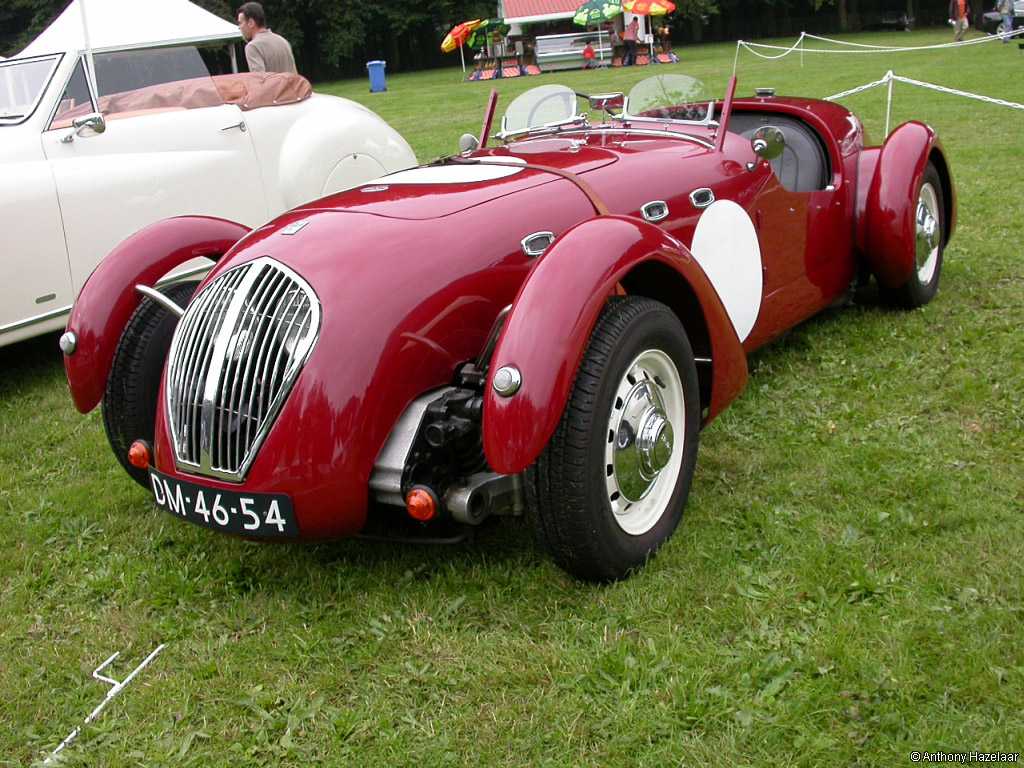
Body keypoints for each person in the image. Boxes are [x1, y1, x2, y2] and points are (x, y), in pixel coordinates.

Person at [236, 2, 297, 74]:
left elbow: (260, 80)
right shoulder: (283, 41)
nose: (239, 27)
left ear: (251, 23)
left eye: (240, 23)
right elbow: (295, 75)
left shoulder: (253, 46)